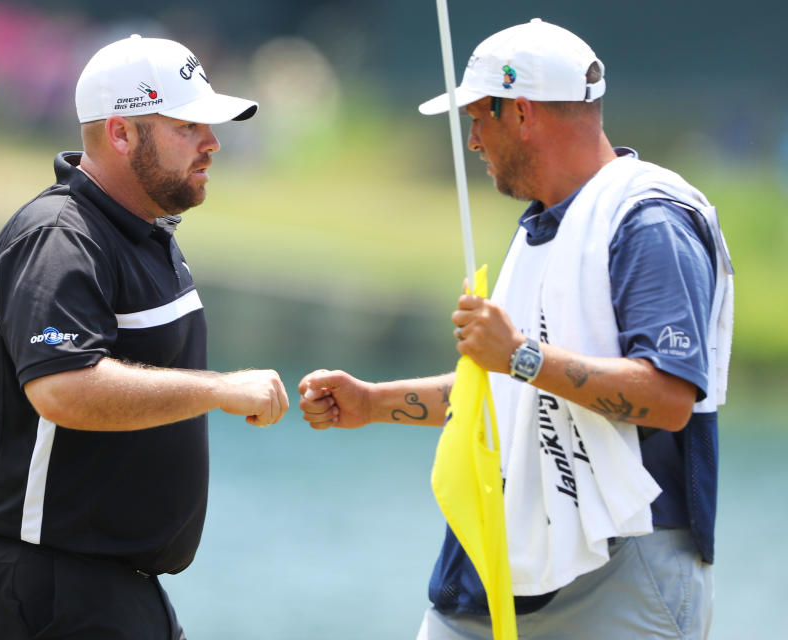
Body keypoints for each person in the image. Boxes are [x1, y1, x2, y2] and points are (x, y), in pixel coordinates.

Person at [299, 18, 732, 640]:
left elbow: (667, 400)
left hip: (625, 572)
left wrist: (522, 355)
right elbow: (512, 394)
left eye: (479, 117)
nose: (473, 140)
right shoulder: (547, 224)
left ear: (522, 114)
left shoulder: (648, 220)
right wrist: (372, 403)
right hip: (498, 569)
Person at [0, 35, 289, 639]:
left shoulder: (138, 230)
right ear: (120, 133)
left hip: (97, 588)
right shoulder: (59, 237)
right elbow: (63, 388)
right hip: (44, 586)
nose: (212, 143)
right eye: (188, 126)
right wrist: (217, 389)